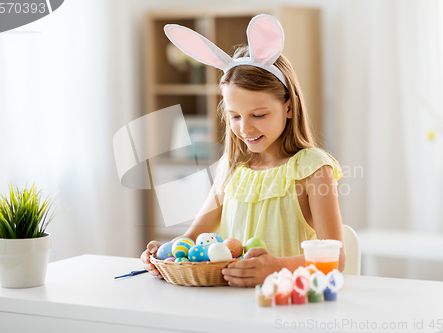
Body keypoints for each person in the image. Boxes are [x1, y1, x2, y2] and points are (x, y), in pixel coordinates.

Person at [141, 14, 345, 287]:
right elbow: (192, 237)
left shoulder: (313, 168)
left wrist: (275, 267)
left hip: (286, 304)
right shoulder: (233, 168)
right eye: (235, 116)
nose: (245, 128)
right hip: (232, 305)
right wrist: (165, 254)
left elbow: (336, 260)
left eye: (258, 115)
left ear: (288, 107)